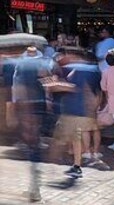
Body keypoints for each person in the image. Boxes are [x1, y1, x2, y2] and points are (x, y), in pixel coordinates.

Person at [51, 48, 102, 178]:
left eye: (65, 55)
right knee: (75, 138)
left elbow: (74, 88)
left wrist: (55, 85)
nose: (62, 58)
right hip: (77, 110)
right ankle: (77, 165)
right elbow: (97, 91)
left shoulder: (79, 70)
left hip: (75, 111)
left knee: (61, 139)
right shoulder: (89, 69)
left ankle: (51, 168)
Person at [12, 45, 53, 202]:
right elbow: (48, 82)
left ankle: (34, 185)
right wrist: (48, 100)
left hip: (27, 106)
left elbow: (16, 86)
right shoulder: (43, 63)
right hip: (39, 104)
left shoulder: (21, 64)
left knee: (31, 143)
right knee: (34, 143)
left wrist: (16, 105)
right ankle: (35, 185)